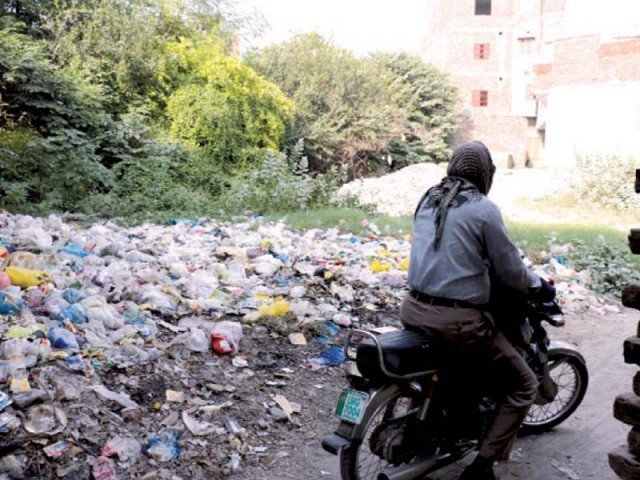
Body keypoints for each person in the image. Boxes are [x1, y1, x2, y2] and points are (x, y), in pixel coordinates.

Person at [401, 141, 555, 480]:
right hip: (457, 322)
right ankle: (481, 467)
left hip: (412, 310)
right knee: (524, 384)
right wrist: (538, 286)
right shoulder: (484, 209)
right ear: (486, 173)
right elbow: (510, 268)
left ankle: (448, 424)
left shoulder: (429, 198)